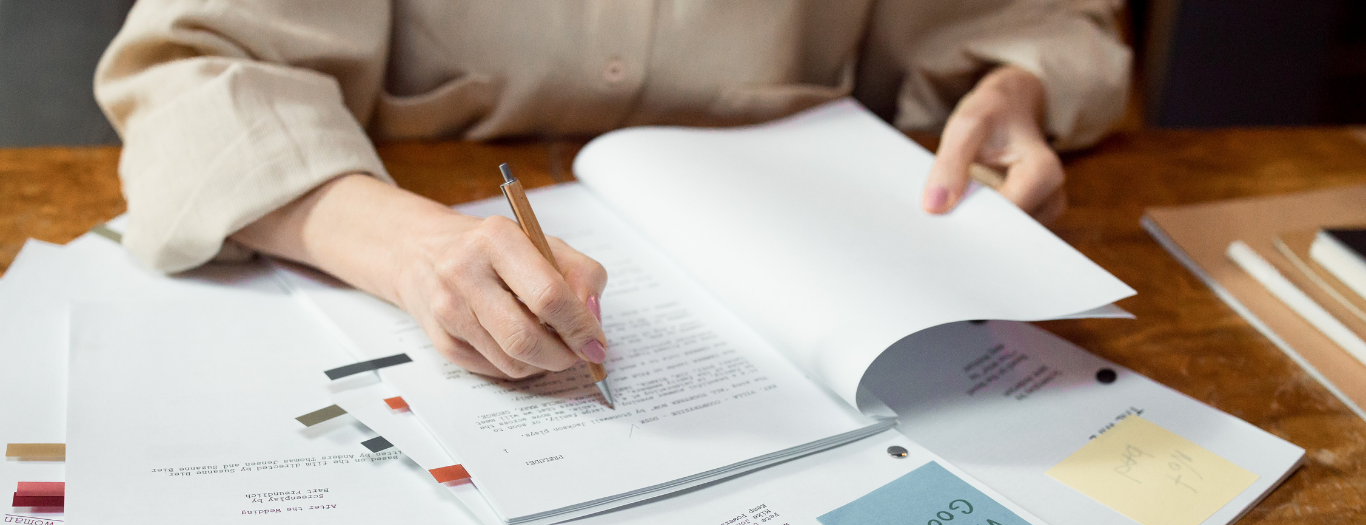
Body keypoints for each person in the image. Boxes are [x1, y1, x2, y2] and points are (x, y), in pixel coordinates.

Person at [95, 1, 1130, 381]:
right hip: (384, 250)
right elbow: (192, 79)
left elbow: (1040, 24)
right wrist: (413, 249)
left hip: (819, 265)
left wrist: (1014, 84)